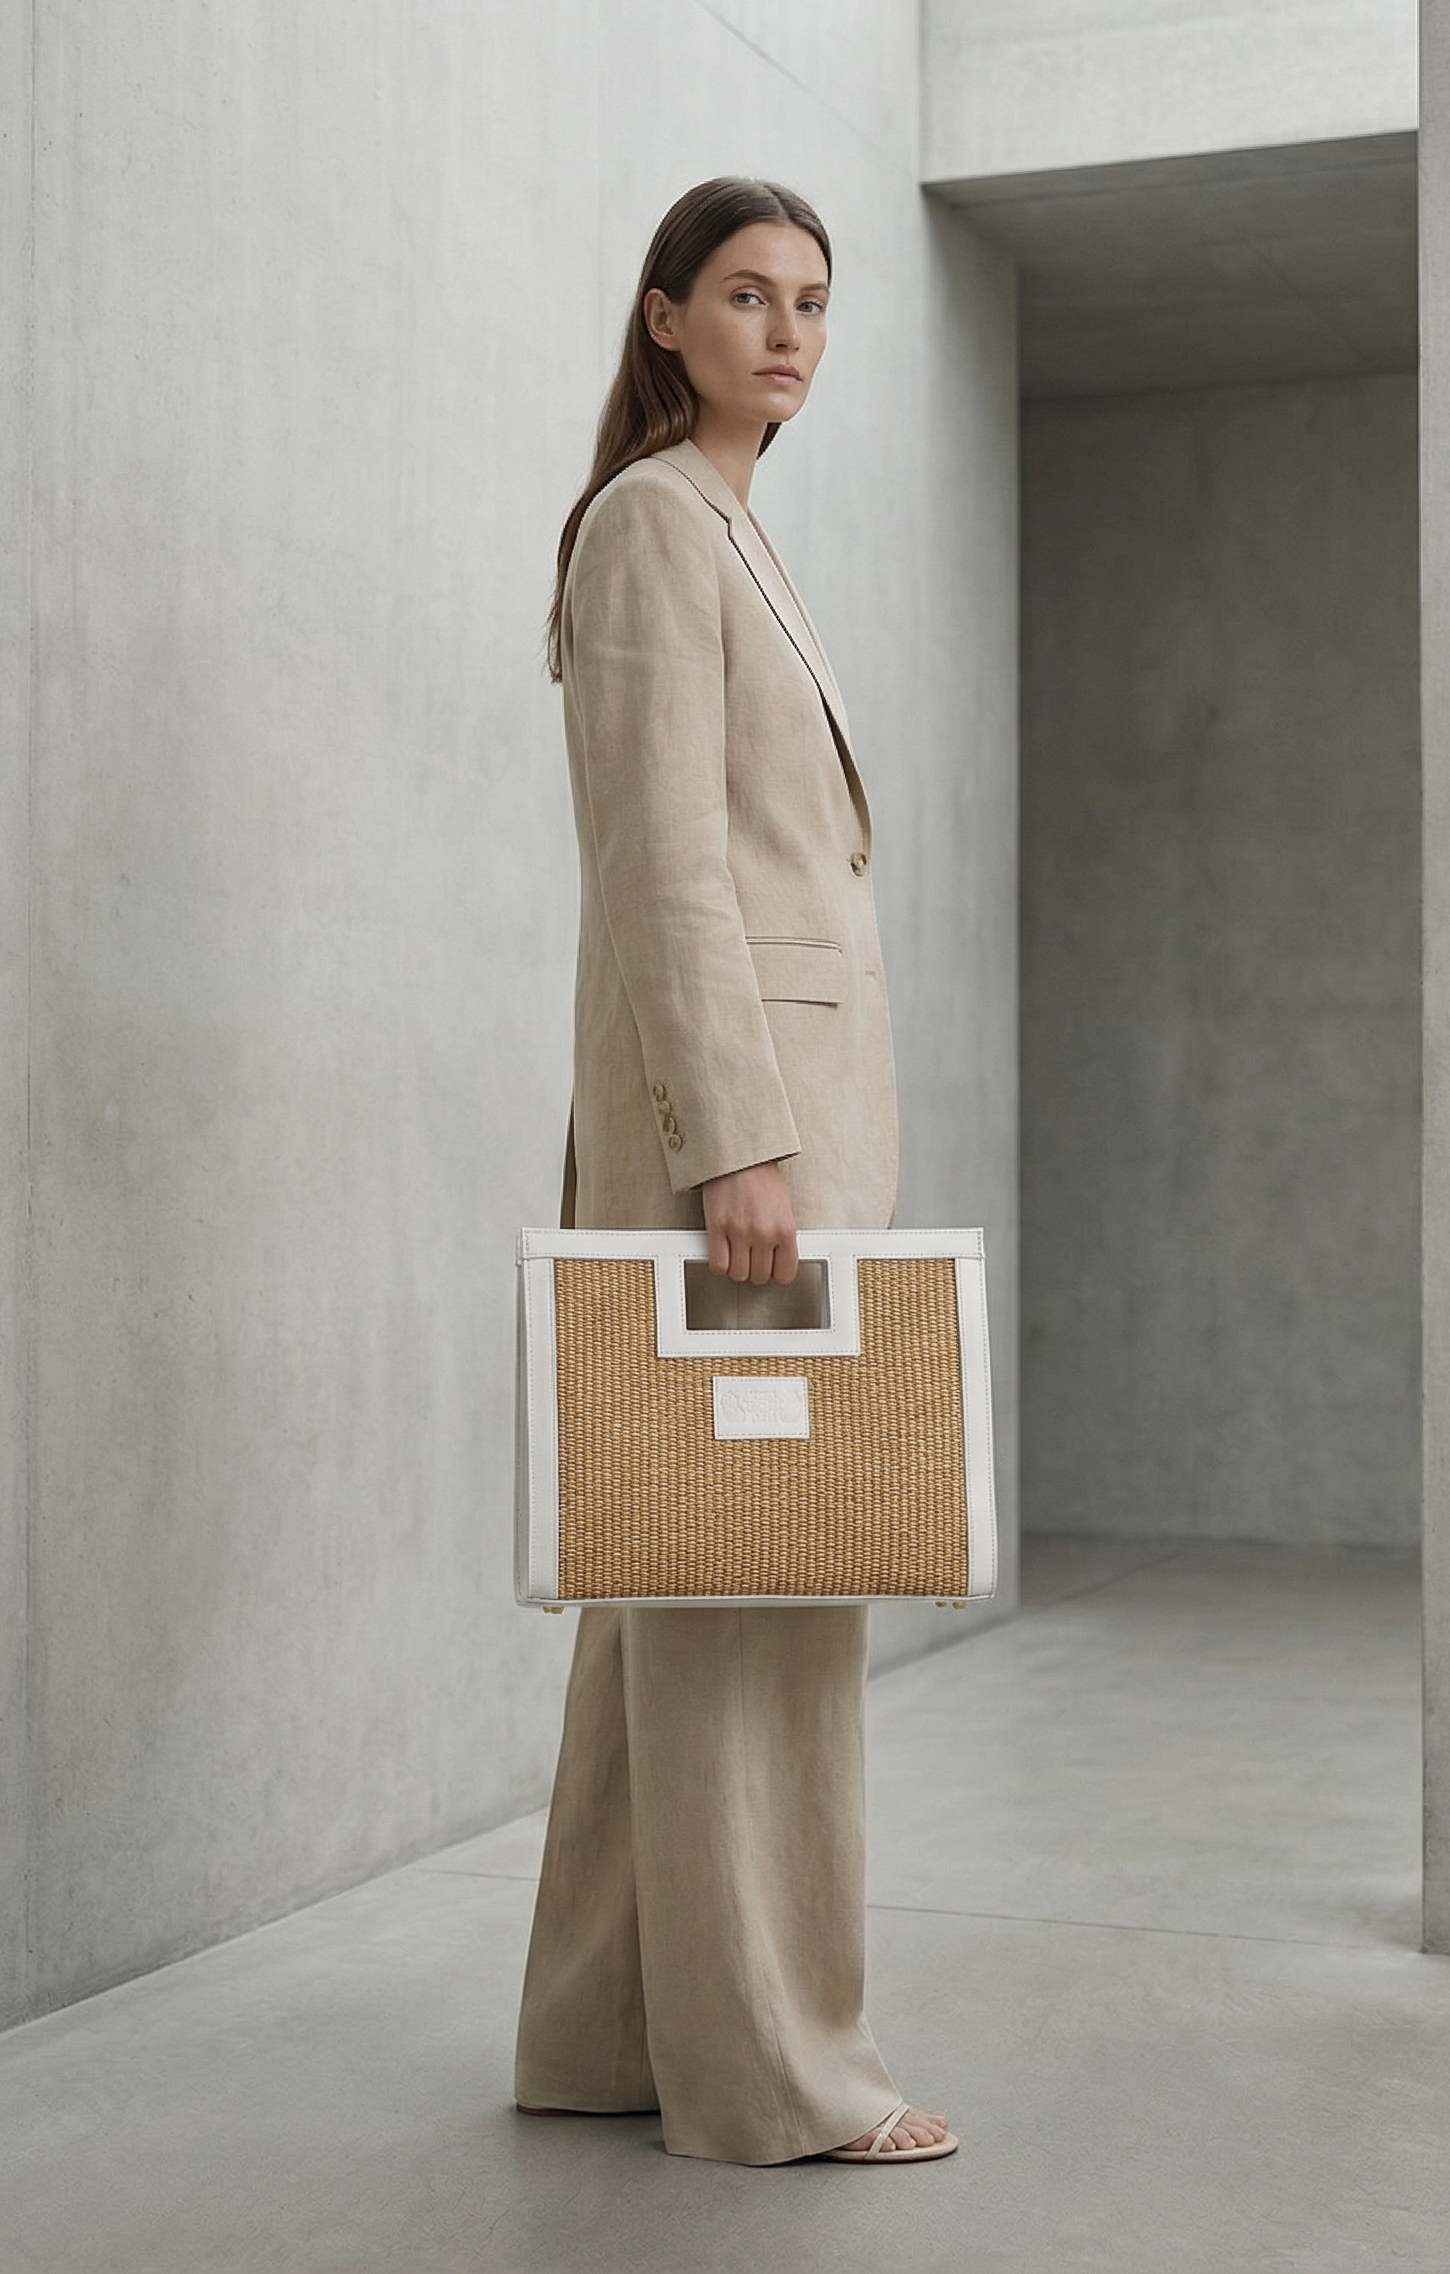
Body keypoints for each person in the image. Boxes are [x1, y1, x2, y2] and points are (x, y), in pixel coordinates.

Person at [513, 176, 957, 2169]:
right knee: (750, 1597)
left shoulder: (727, 523)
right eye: (750, 296)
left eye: (814, 302)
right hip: (740, 1137)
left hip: (773, 1125)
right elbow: (664, 862)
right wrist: (736, 1142)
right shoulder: (648, 525)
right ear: (665, 316)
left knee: (673, 1581)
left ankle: (604, 2034)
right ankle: (777, 2076)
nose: (788, 333)